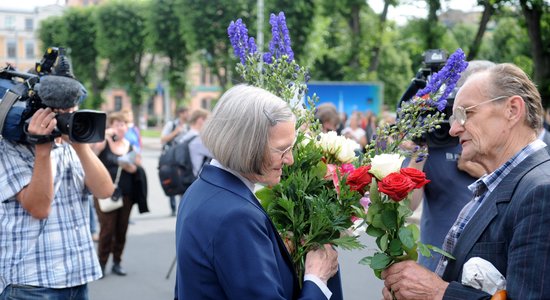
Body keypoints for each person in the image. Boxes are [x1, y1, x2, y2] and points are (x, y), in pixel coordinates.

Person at [382, 63, 550, 299]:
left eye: (465, 113)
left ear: (512, 110)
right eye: (452, 117)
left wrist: (438, 292)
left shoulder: (541, 191)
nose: (453, 130)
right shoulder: (503, 184)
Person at [175, 84, 340, 299]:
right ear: (247, 145)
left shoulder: (201, 188)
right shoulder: (237, 216)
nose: (290, 160)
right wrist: (316, 279)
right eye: (282, 149)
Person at [0, 105, 113, 298]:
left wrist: (80, 144)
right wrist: (42, 148)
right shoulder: (8, 148)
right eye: (62, 110)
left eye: (72, 108)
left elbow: (105, 190)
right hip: (31, 284)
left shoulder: (69, 147)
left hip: (76, 277)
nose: (69, 115)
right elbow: (39, 208)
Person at [404, 60, 495, 271]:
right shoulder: (435, 139)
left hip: (489, 271)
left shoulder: (504, 143)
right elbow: (408, 205)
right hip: (436, 268)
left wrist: (482, 171)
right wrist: (419, 149)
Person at [91, 111, 141, 277]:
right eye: (116, 123)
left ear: (127, 127)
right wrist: (103, 137)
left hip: (125, 194)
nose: (120, 127)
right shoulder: (102, 143)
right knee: (107, 229)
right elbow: (92, 156)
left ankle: (117, 262)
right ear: (110, 126)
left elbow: (136, 168)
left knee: (121, 229)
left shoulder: (130, 146)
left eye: (123, 124)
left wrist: (128, 166)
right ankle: (102, 262)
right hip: (104, 193)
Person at [161, 106, 189, 216]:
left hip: (182, 159)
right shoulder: (171, 125)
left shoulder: (188, 126)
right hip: (171, 159)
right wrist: (175, 132)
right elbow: (162, 139)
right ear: (181, 113)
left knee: (183, 182)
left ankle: (182, 207)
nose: (188, 115)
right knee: (172, 180)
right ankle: (173, 208)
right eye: (186, 112)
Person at [176, 108, 212, 178]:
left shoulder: (186, 135)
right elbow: (218, 155)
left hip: (184, 176)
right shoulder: (199, 140)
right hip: (195, 179)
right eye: (208, 120)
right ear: (200, 120)